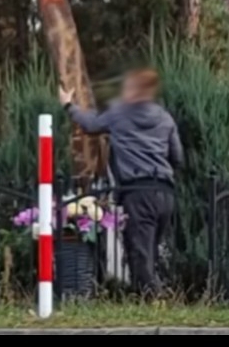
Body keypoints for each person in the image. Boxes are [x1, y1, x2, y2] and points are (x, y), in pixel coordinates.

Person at [60, 69, 184, 296]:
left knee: (138, 249)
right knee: (152, 248)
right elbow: (177, 157)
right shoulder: (165, 117)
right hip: (164, 191)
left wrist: (69, 105)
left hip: (137, 190)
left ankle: (153, 298)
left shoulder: (119, 114)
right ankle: (151, 294)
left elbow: (91, 124)